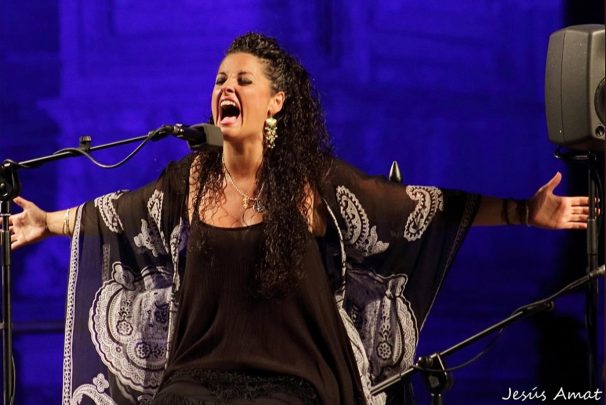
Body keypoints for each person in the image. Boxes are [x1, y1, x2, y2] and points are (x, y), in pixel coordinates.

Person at [6, 33, 589, 405]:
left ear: (276, 102)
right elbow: (120, 212)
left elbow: (420, 208)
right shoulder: (190, 179)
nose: (226, 88)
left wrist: (524, 212)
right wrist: (47, 222)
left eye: (243, 80)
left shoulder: (314, 183)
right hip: (200, 375)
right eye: (220, 80)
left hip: (295, 378)